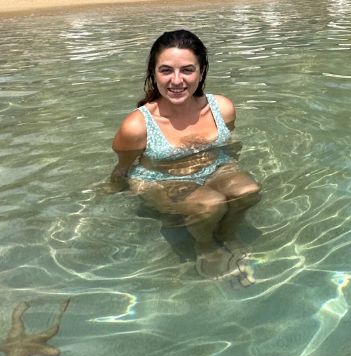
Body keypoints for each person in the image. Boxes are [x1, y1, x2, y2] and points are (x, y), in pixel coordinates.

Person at [110, 29, 261, 283]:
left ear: (201, 71)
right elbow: (124, 167)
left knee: (248, 190)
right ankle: (205, 245)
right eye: (166, 70)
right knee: (209, 203)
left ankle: (225, 232)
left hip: (214, 166)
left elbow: (229, 148)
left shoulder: (222, 108)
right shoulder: (137, 125)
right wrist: (112, 190)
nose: (176, 81)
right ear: (153, 72)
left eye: (187, 70)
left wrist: (229, 179)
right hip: (160, 178)